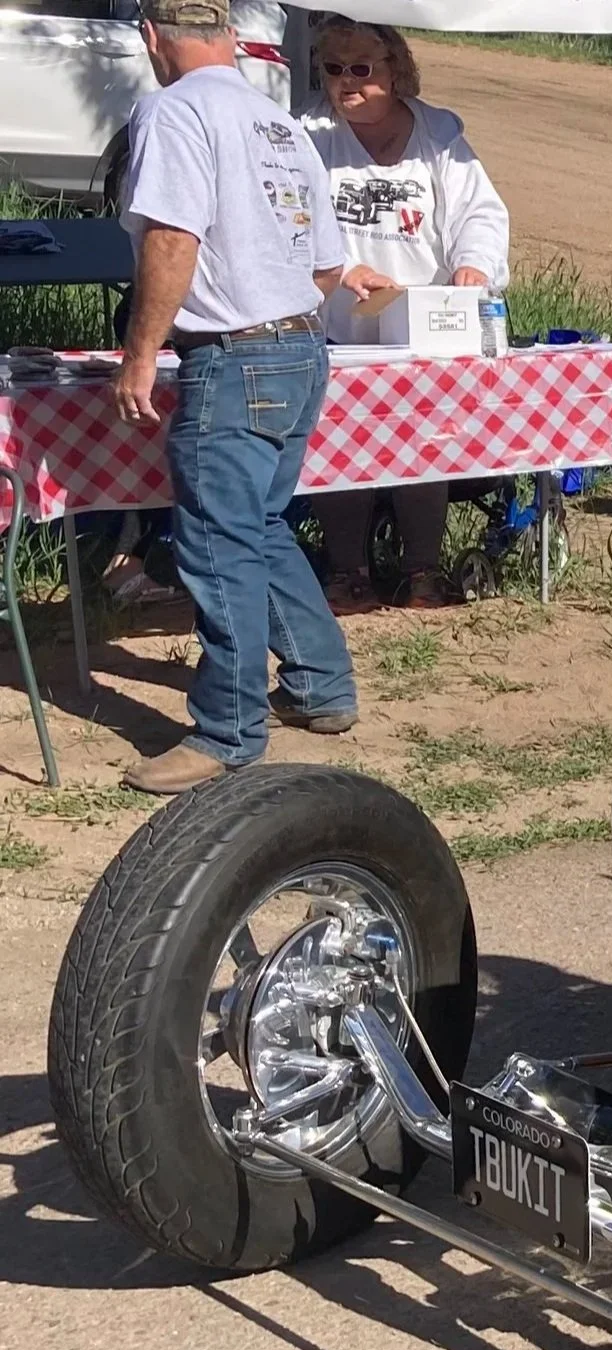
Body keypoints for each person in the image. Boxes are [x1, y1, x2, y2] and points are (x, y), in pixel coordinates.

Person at [112, 0, 386, 795]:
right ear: (232, 37)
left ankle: (227, 730)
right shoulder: (277, 123)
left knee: (216, 544)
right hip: (301, 344)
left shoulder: (172, 111)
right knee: (257, 527)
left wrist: (139, 354)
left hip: (233, 356)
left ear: (152, 37)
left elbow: (172, 237)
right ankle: (319, 683)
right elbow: (327, 262)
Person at [299, 15, 510, 609]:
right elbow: (287, 221)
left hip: (424, 325)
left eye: (361, 69)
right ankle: (348, 573)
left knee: (425, 441)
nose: (346, 82)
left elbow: (482, 216)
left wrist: (473, 264)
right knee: (339, 445)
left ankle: (423, 570)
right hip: (339, 326)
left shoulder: (439, 137)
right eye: (334, 68)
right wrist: (339, 270)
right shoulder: (307, 135)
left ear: (397, 71)